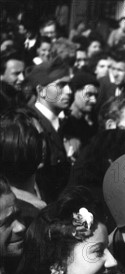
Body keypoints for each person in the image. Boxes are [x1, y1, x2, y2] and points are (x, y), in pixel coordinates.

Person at [26, 57, 72, 202]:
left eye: (69, 85)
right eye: (61, 85)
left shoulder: (64, 122)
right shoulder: (30, 124)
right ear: (41, 91)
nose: (69, 91)